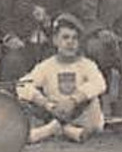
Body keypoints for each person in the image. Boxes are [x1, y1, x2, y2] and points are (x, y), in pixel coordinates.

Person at [18, 12, 109, 143]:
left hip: (81, 115)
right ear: (55, 40)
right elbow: (22, 85)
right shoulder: (47, 65)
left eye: (75, 38)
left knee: (92, 98)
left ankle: (51, 130)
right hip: (56, 111)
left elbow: (99, 84)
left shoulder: (87, 64)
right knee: (26, 100)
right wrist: (46, 103)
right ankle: (66, 130)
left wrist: (73, 100)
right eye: (65, 38)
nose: (70, 43)